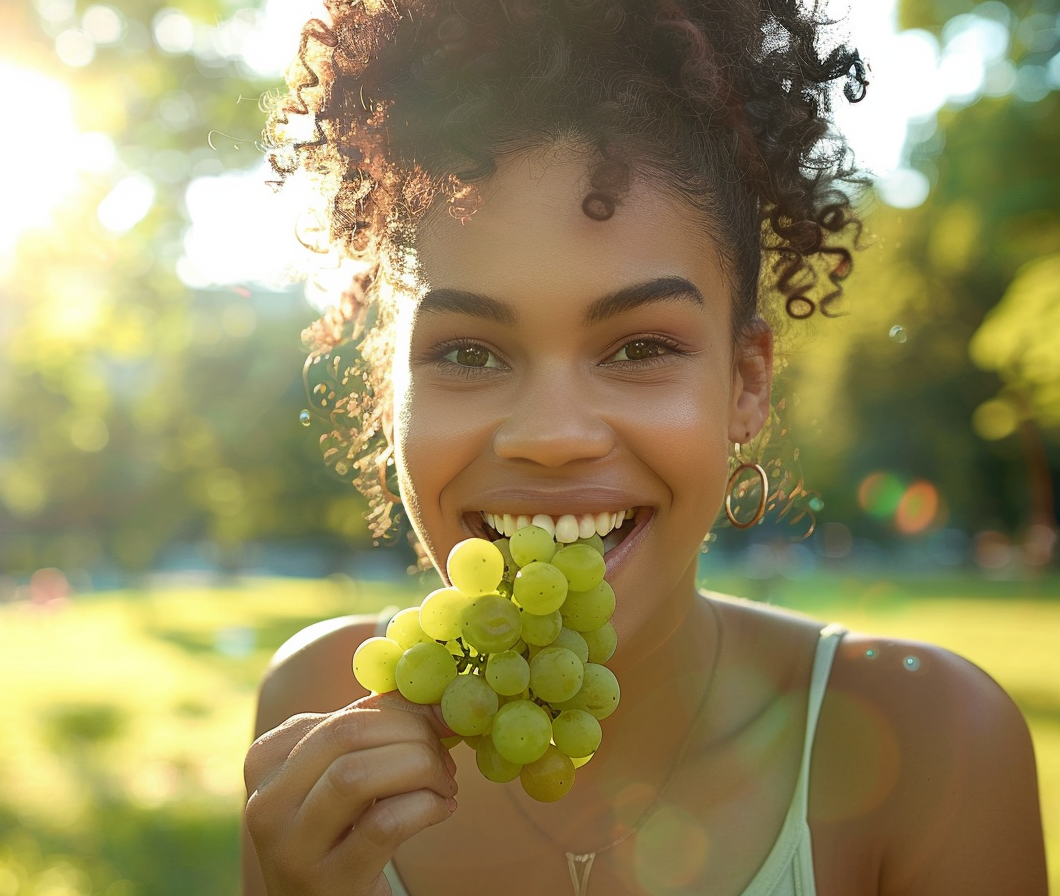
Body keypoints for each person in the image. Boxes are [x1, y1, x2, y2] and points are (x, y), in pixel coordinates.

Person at [241, 1, 1049, 894]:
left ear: (745, 382)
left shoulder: (943, 742)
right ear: (394, 389)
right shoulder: (318, 719)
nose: (553, 438)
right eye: (468, 352)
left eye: (639, 349)